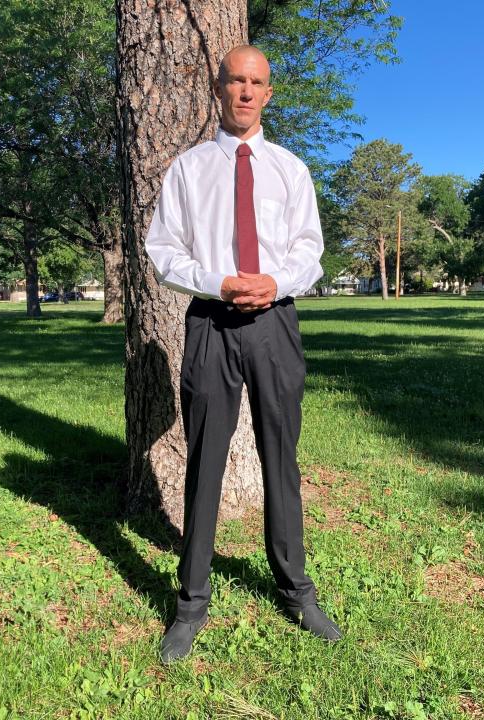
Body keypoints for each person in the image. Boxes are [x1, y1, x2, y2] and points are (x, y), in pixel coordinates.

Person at [145, 44, 342, 665]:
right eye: (236, 80)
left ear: (269, 93)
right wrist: (217, 281)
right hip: (211, 320)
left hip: (276, 322)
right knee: (205, 457)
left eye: (257, 82)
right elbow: (162, 248)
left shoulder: (291, 169)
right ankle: (191, 601)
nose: (247, 92)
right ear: (219, 87)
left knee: (279, 454)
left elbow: (310, 250)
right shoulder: (188, 168)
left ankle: (296, 589)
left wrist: (275, 284)